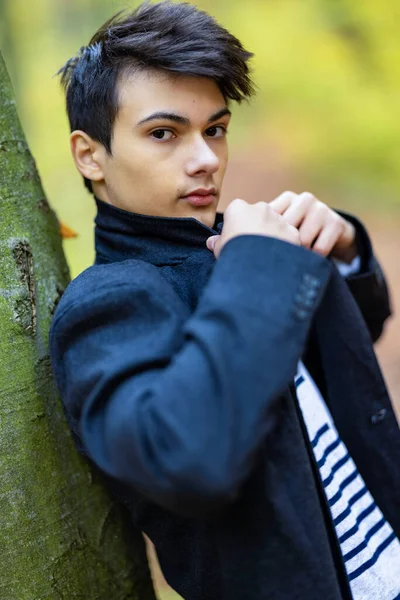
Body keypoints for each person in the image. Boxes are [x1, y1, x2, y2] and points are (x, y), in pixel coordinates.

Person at [49, 2, 400, 599]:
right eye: (164, 133)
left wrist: (341, 249)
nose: (207, 159)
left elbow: (344, 350)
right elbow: (189, 457)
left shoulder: (232, 251)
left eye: (215, 128)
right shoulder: (107, 302)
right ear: (90, 154)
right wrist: (261, 265)